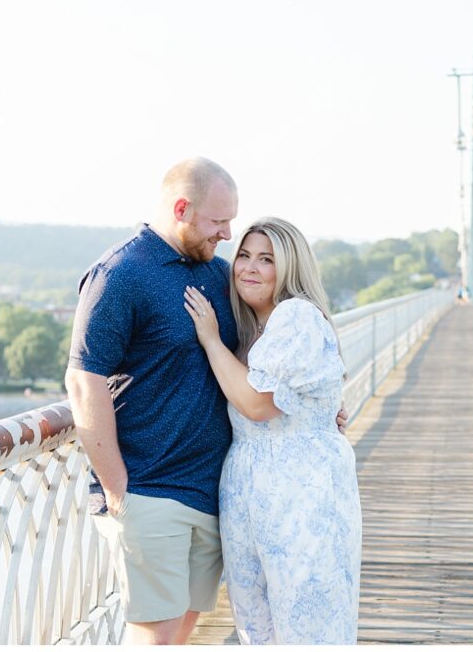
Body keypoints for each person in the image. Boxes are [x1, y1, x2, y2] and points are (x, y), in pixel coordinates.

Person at [65, 159, 348, 645]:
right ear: (182, 209)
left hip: (220, 492)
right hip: (150, 487)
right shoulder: (121, 274)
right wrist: (116, 488)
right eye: (219, 222)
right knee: (154, 633)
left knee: (183, 632)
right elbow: (82, 380)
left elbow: (264, 361)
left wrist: (316, 406)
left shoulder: (222, 276)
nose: (228, 234)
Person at [183, 217, 362, 645]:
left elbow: (257, 403)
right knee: (257, 629)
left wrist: (210, 339)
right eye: (243, 255)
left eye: (266, 259)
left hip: (302, 495)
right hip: (249, 494)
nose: (249, 267)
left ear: (290, 268)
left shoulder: (296, 316)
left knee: (307, 624)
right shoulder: (250, 329)